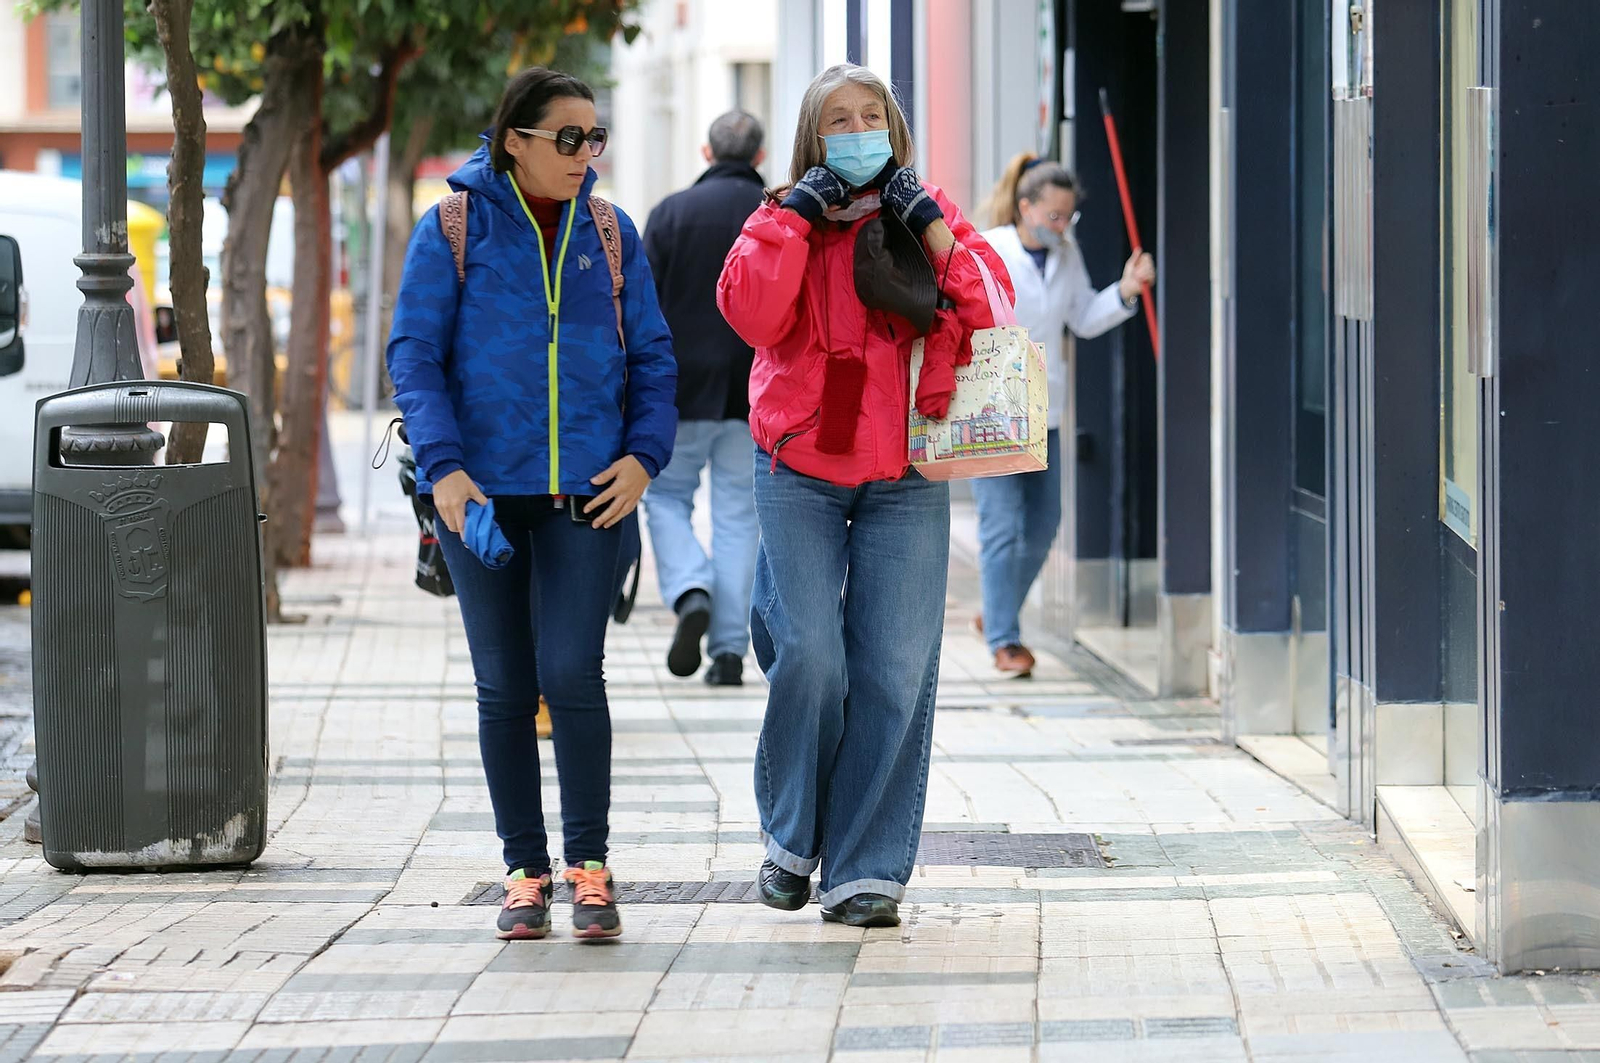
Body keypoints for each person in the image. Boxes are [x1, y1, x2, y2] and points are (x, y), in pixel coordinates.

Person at [387, 67, 677, 942]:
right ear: (514, 139)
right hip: (476, 495)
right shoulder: (452, 229)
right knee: (504, 685)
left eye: (595, 138)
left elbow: (655, 359)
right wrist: (442, 469)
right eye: (568, 138)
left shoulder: (612, 234)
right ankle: (525, 872)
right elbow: (413, 353)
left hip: (587, 495)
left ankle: (590, 869)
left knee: (570, 673)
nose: (585, 154)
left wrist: (644, 459)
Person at [718, 64, 1011, 928]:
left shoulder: (928, 213)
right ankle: (791, 839)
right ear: (814, 134)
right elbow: (751, 316)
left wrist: (931, 225)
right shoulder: (779, 214)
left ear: (894, 126)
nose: (856, 131)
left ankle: (866, 869)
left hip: (907, 471)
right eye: (837, 119)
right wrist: (797, 219)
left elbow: (994, 306)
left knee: (891, 669)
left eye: (870, 116)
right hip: (801, 464)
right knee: (810, 653)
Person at [974, 153, 1156, 677]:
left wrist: (1124, 290)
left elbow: (1081, 317)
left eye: (1068, 217)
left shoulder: (1067, 255)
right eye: (1053, 216)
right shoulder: (991, 250)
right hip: (992, 405)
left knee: (1045, 523)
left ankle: (997, 611)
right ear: (1025, 207)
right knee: (1001, 526)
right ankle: (1006, 640)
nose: (1061, 226)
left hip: (1043, 408)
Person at [642, 112, 768, 686]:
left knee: (666, 498)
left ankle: (691, 587)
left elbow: (638, 308)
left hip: (678, 388)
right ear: (760, 156)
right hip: (753, 389)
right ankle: (727, 652)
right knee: (740, 516)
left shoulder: (670, 214)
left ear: (705, 149)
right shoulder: (778, 213)